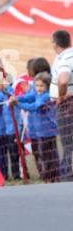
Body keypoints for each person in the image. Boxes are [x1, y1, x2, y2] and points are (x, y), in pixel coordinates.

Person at [50, 30, 73, 180]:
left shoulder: (64, 58)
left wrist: (61, 96)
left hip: (66, 107)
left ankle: (67, 177)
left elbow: (63, 80)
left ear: (55, 43)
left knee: (67, 143)